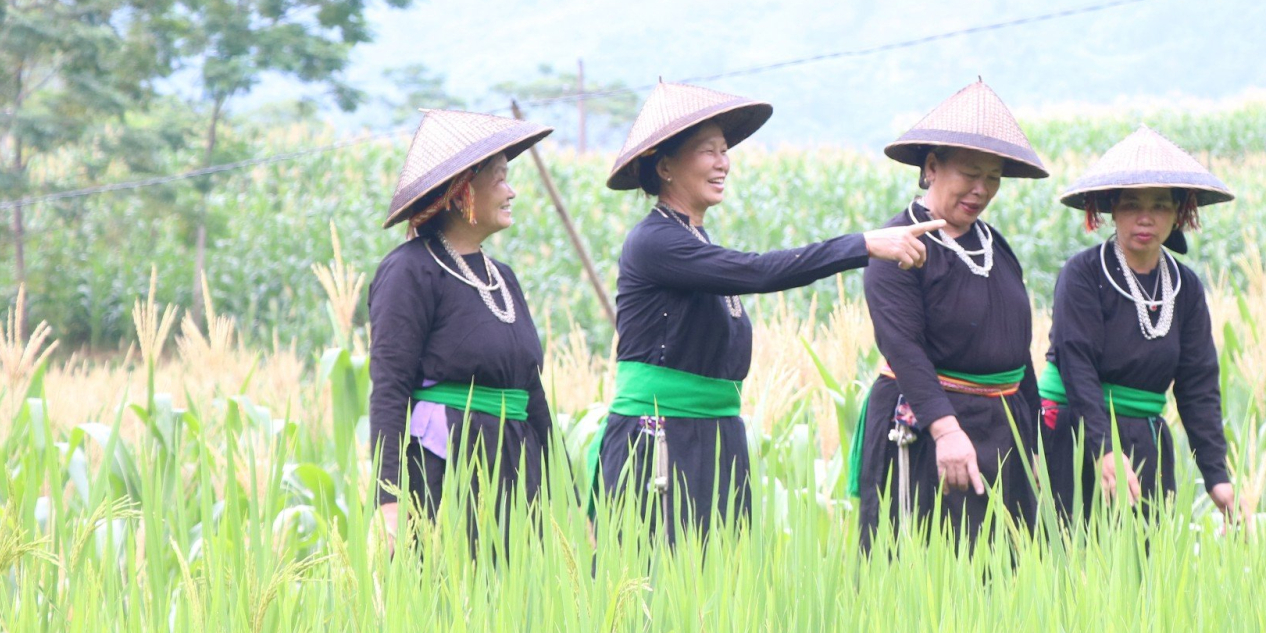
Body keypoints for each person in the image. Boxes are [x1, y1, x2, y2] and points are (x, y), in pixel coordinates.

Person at [598, 79, 940, 542]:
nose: (723, 162)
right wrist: (864, 245)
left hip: (712, 434)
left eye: (724, 150)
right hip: (660, 438)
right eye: (707, 150)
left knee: (715, 586)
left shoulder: (693, 239)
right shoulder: (656, 241)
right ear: (665, 166)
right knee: (658, 582)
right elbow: (759, 272)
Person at [853, 79, 1049, 549]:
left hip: (1002, 430)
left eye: (994, 177)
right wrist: (945, 430)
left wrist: (1036, 444)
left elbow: (1018, 352)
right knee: (924, 576)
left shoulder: (995, 247)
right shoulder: (900, 242)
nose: (982, 189)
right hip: (925, 431)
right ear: (933, 167)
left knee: (1003, 577)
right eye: (970, 173)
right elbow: (902, 347)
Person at [368, 109, 555, 553]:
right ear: (462, 191)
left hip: (513, 469)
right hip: (446, 473)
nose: (511, 191)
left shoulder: (502, 276)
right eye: (499, 177)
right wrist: (389, 498)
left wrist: (560, 488)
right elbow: (390, 387)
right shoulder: (410, 271)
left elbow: (531, 391)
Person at [1040, 126, 1240, 530]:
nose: (1145, 218)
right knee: (1071, 560)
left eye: (1160, 205)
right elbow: (1076, 367)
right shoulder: (1083, 275)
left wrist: (1217, 476)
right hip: (1075, 433)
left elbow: (1198, 383)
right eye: (1132, 204)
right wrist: (1103, 449)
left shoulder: (1184, 288)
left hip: (1146, 439)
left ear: (1179, 213)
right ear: (1112, 209)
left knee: (1143, 568)